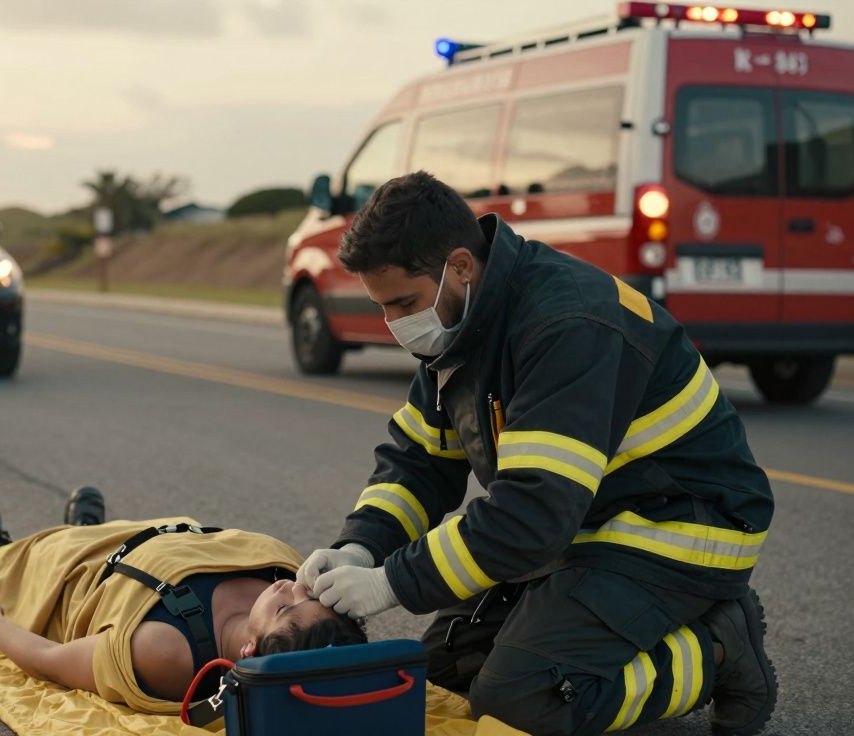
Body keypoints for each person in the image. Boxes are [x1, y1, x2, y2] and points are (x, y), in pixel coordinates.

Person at [298, 172, 777, 736]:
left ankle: (721, 647)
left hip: (680, 527)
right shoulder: (466, 319)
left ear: (460, 266)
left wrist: (391, 583)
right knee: (448, 677)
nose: (395, 325)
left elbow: (531, 516)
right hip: (585, 524)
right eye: (383, 308)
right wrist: (361, 546)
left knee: (519, 703)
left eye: (404, 303)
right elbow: (420, 460)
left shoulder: (564, 324)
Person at [0, 481, 366, 713]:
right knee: (84, 533)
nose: (291, 586)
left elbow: (50, 662)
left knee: (12, 568)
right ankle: (86, 525)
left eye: (285, 606)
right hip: (141, 537)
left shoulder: (166, 651)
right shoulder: (289, 573)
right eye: (307, 594)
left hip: (77, 574)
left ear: (248, 649)